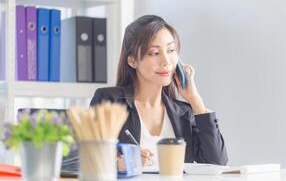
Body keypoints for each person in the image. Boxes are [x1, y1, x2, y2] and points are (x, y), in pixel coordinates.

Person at [90, 15, 228, 169]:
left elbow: (217, 164)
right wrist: (118, 164)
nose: (166, 61)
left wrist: (195, 101)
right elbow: (86, 161)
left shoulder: (183, 113)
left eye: (171, 50)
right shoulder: (109, 101)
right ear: (132, 60)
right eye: (154, 53)